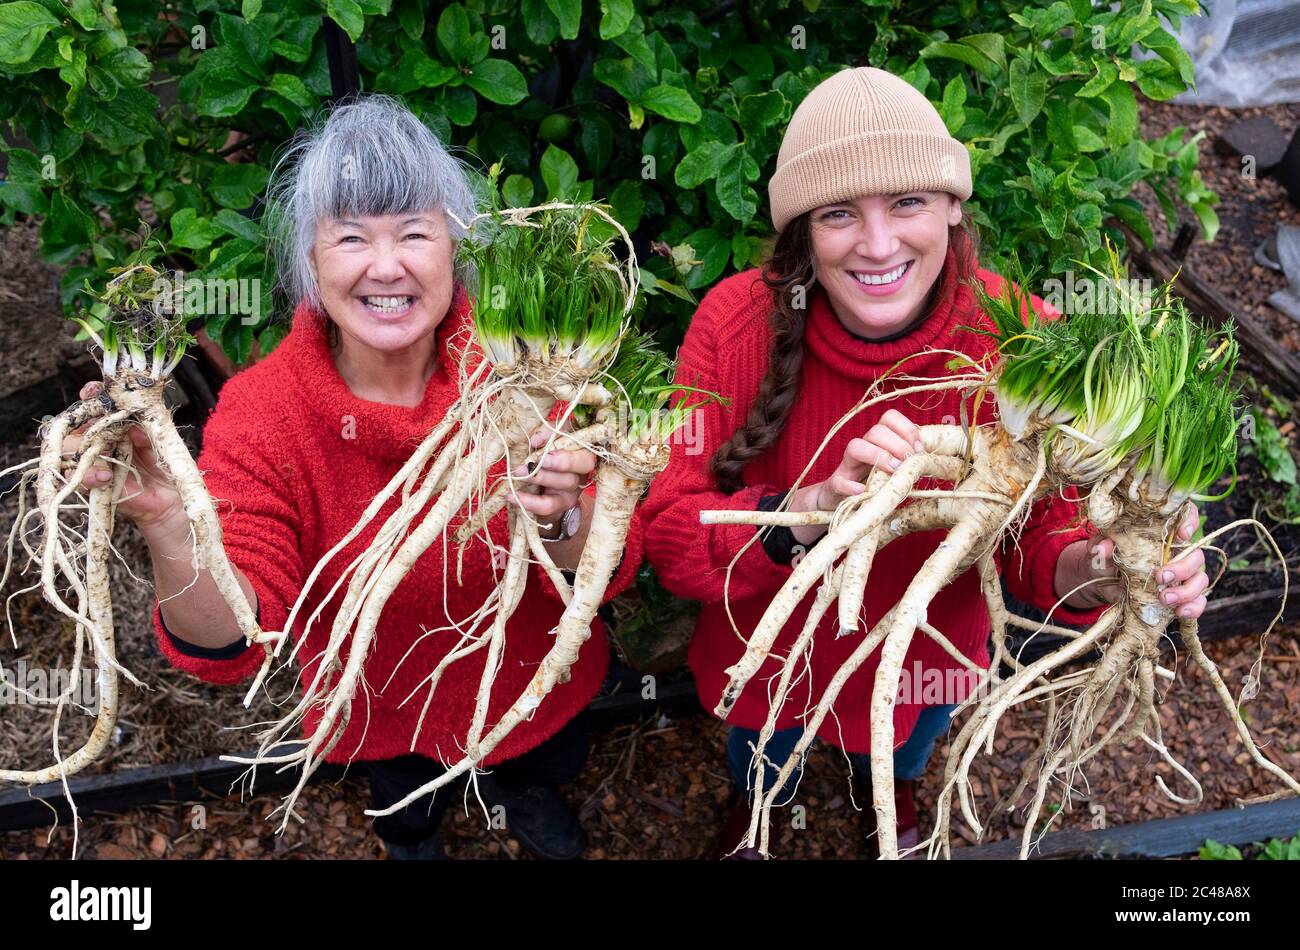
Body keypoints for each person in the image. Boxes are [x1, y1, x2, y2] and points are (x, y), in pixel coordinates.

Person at [640, 67, 1209, 858]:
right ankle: (760, 807)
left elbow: (1045, 536)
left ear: (951, 205)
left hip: (928, 657)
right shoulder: (735, 323)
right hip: (768, 656)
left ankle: (893, 794)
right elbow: (668, 533)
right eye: (839, 213)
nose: (877, 245)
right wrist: (808, 514)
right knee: (762, 749)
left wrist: (1110, 568)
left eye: (908, 201)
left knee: (903, 742)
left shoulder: (1023, 342)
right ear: (804, 228)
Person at [66, 95, 643, 860]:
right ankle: (412, 835)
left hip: (537, 688)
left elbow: (608, 570)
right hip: (376, 712)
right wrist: (171, 526)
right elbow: (235, 639)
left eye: (414, 232)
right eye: (350, 238)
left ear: (454, 248)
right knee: (404, 804)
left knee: (542, 765)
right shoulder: (262, 413)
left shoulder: (534, 376)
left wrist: (564, 517)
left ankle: (524, 794)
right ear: (310, 261)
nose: (386, 265)